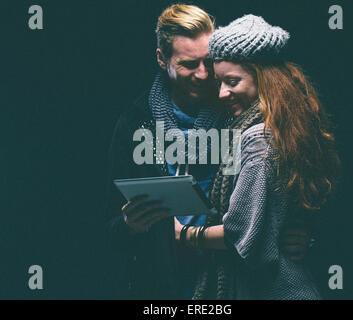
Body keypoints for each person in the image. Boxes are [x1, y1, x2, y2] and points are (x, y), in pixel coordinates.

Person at [106, 4, 311, 299]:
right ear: (162, 59)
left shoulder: (241, 113)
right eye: (189, 64)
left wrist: (303, 233)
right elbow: (110, 230)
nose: (204, 75)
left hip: (234, 283)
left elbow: (290, 192)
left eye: (209, 61)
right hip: (166, 285)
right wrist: (130, 226)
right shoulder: (136, 123)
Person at [174, 14, 340, 299]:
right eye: (219, 83)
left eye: (233, 81)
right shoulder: (286, 126)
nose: (223, 92)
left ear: (263, 79)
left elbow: (240, 233)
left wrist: (184, 235)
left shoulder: (258, 138)